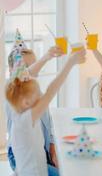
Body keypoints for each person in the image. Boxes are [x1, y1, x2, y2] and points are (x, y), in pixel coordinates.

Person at [5, 43, 86, 176]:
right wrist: (70, 63)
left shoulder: (19, 104)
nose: (40, 98)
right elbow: (51, 91)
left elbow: (29, 74)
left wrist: (47, 56)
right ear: (26, 102)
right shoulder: (25, 119)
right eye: (37, 95)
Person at [5, 30, 62, 175]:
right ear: (12, 70)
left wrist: (52, 145)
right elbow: (27, 74)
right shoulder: (13, 92)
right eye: (25, 66)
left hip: (41, 148)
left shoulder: (36, 91)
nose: (31, 70)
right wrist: (47, 57)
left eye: (33, 64)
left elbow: (48, 123)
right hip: (18, 155)